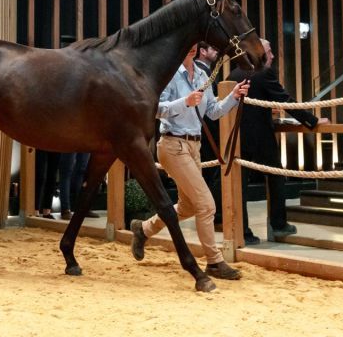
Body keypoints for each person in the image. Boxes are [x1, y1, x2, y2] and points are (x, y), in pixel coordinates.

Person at [130, 44, 250, 280]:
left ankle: (143, 229)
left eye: (195, 45)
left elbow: (213, 112)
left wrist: (233, 97)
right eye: (189, 44)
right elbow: (155, 109)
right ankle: (214, 262)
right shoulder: (169, 74)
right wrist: (184, 102)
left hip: (194, 146)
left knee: (187, 207)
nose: (193, 48)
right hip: (173, 146)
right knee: (206, 205)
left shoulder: (203, 75)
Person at [228, 39, 329, 244]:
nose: (272, 56)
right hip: (261, 137)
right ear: (259, 53)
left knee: (239, 186)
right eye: (269, 51)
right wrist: (313, 121)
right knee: (276, 177)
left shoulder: (233, 74)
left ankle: (243, 233)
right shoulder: (263, 73)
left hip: (238, 137)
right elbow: (285, 101)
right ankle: (279, 224)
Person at [193, 41, 223, 228]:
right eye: (213, 48)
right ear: (202, 51)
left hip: (207, 126)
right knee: (208, 172)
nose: (217, 51)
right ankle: (210, 215)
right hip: (203, 129)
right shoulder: (199, 72)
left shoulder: (208, 72)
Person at [58, 152, 99, 220]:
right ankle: (65, 209)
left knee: (82, 170)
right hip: (70, 141)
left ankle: (82, 209)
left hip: (86, 142)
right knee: (66, 170)